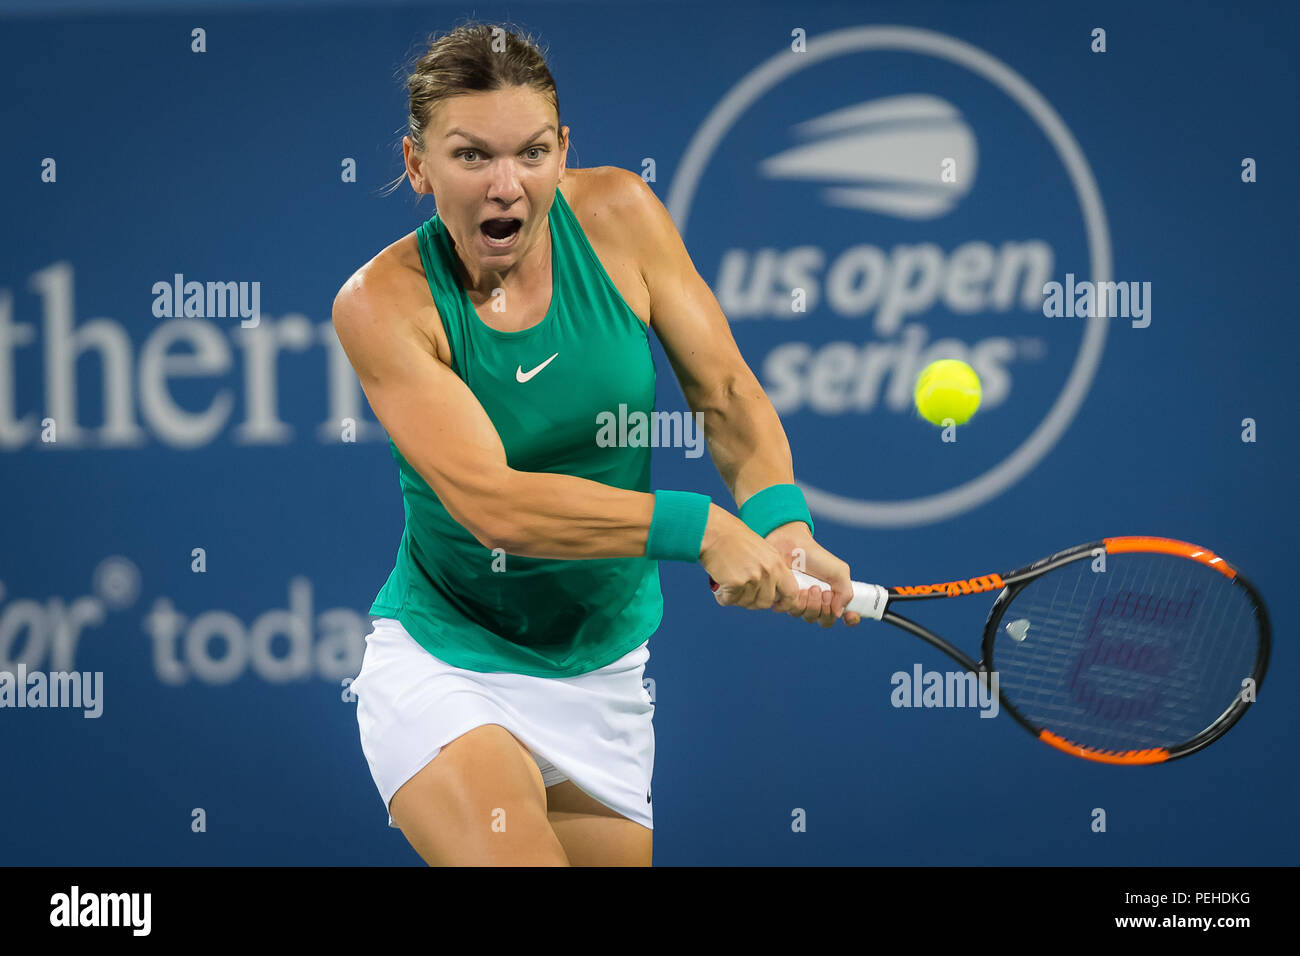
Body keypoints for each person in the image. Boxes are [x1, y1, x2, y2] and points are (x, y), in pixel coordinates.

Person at [332, 21, 861, 867]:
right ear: (416, 164)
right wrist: (708, 529)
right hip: (451, 664)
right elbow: (494, 506)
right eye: (471, 157)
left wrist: (781, 521)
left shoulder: (621, 215)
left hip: (602, 676)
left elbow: (724, 393)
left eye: (533, 152)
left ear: (563, 149)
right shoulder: (381, 305)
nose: (507, 186)